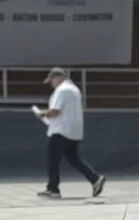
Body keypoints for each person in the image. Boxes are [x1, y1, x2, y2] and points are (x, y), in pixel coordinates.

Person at [32, 67, 105, 199]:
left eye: (52, 80)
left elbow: (55, 111)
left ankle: (53, 188)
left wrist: (41, 114)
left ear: (58, 78)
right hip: (74, 130)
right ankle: (95, 179)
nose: (51, 84)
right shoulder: (74, 90)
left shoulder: (62, 90)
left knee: (52, 158)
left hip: (61, 130)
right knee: (73, 158)